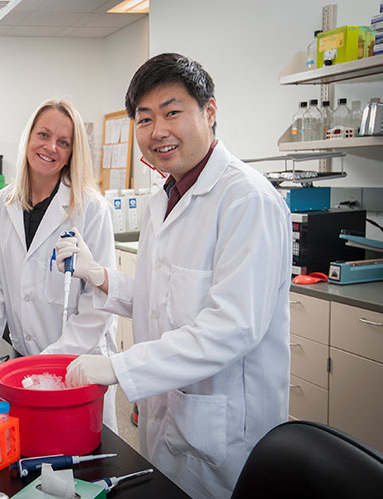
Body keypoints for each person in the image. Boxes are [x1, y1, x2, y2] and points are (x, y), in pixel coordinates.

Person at [55, 53, 291, 498]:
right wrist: (100, 275)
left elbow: (229, 328)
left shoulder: (247, 200)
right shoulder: (164, 199)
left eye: (172, 112)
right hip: (167, 419)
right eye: (145, 119)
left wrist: (117, 366)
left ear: (210, 112)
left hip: (224, 437)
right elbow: (161, 298)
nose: (158, 131)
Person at [0, 98, 118, 432]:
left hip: (77, 366)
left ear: (72, 153)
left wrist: (48, 362)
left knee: (81, 460)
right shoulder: (3, 203)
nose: (51, 147)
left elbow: (98, 304)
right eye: (44, 134)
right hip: (23, 364)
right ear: (28, 138)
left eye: (63, 142)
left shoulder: (91, 209)